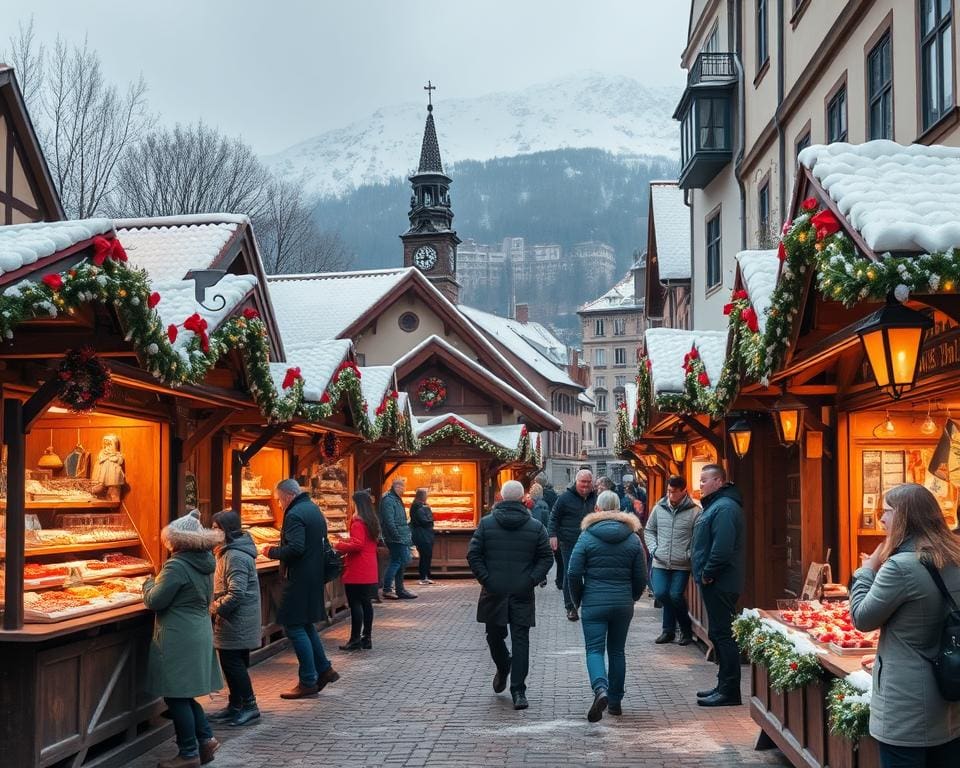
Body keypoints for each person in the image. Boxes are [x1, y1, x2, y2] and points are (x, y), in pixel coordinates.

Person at [850, 483, 960, 765]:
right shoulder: (954, 557)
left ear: (904, 517)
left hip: (907, 700)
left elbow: (862, 618)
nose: (882, 518)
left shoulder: (900, 567)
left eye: (886, 511)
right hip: (949, 687)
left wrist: (865, 571)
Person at [143, 510, 223, 768]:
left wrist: (146, 585)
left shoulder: (177, 565)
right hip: (197, 629)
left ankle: (188, 753)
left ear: (177, 540)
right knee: (185, 694)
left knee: (176, 696)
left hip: (178, 634)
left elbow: (156, 600)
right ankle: (206, 740)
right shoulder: (205, 561)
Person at [467, 479, 553, 711]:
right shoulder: (535, 526)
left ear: (502, 498)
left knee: (494, 636)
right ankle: (518, 690)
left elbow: (473, 555)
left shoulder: (486, 524)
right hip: (521, 591)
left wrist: (486, 578)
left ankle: (504, 667)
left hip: (493, 591)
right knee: (520, 640)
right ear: (524, 499)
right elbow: (546, 557)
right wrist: (531, 579)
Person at [566, 490, 646, 721]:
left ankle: (600, 688)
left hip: (594, 601)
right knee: (617, 650)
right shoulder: (632, 537)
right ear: (619, 508)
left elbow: (573, 572)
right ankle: (616, 701)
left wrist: (577, 599)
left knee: (594, 649)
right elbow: (640, 575)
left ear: (597, 509)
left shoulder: (587, 536)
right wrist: (632, 596)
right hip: (622, 603)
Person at [259, 478, 339, 699]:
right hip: (313, 576)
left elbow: (295, 548)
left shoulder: (294, 514)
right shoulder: (312, 509)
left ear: (288, 496)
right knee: (306, 625)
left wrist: (270, 551)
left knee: (294, 626)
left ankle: (308, 680)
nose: (279, 504)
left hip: (299, 579)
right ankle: (324, 669)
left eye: (279, 500)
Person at [691, 464, 745, 707]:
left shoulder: (723, 508)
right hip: (719, 580)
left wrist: (707, 573)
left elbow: (721, 548)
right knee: (719, 632)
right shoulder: (718, 506)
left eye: (704, 480)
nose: (700, 484)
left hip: (721, 581)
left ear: (718, 481)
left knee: (723, 634)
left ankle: (730, 690)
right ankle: (723, 684)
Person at [209, 510, 262, 727]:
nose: (212, 532)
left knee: (233, 664)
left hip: (236, 620)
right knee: (234, 663)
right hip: (237, 619)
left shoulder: (234, 556)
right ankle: (235, 705)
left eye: (215, 528)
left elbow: (236, 592)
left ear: (226, 531)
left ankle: (250, 706)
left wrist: (214, 609)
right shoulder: (229, 552)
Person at [645, 475, 700, 646]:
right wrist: (654, 549)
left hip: (682, 563)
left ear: (684, 491)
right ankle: (669, 631)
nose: (670, 495)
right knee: (661, 593)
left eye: (674, 492)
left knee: (675, 595)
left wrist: (688, 554)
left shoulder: (695, 511)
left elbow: (698, 538)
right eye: (668, 491)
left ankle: (683, 630)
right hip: (660, 561)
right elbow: (649, 530)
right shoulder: (659, 508)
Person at [549, 469, 598, 621]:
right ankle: (571, 607)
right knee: (570, 574)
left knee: (590, 574)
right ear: (576, 482)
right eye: (583, 482)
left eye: (588, 482)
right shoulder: (564, 498)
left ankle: (589, 605)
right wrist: (552, 535)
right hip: (569, 542)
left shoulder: (596, 498)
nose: (585, 485)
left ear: (592, 483)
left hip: (591, 542)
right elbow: (554, 517)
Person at [335, 490, 381, 651]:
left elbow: (357, 544)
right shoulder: (372, 521)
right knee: (366, 603)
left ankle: (355, 639)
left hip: (357, 569)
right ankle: (366, 638)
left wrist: (339, 545)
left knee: (355, 604)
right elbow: (363, 542)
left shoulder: (357, 522)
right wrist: (346, 540)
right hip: (369, 568)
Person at [379, 477, 417, 599]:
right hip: (395, 537)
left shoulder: (395, 499)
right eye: (403, 488)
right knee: (396, 561)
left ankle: (400, 589)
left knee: (401, 562)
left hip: (401, 536)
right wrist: (396, 535)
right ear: (398, 487)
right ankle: (387, 589)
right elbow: (389, 521)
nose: (405, 490)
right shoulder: (389, 500)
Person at [536, 472, 563, 590]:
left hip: (545, 528)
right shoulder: (554, 495)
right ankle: (559, 579)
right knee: (557, 557)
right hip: (554, 528)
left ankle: (543, 577)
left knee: (543, 554)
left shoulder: (540, 499)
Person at [409, 487, 436, 586]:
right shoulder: (419, 507)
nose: (427, 497)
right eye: (426, 495)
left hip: (423, 534)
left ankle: (426, 575)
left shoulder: (419, 506)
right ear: (423, 496)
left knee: (427, 555)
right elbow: (426, 521)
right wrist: (430, 517)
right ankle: (423, 576)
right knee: (425, 555)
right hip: (422, 535)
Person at [530, 483, 551, 588]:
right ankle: (542, 576)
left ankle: (537, 575)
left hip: (531, 532)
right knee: (541, 554)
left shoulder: (529, 504)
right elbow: (547, 520)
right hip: (542, 531)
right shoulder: (544, 504)